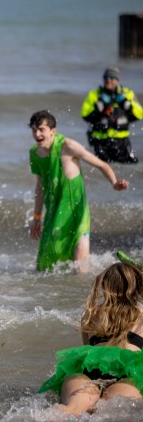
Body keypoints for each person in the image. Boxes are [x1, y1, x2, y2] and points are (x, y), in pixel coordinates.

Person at [28, 110, 129, 273]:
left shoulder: (68, 146)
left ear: (53, 131)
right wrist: (37, 217)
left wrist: (114, 182)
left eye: (41, 129)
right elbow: (39, 187)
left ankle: (85, 294)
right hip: (55, 212)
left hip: (77, 210)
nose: (37, 134)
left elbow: (101, 164)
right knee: (44, 266)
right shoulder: (34, 154)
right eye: (34, 130)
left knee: (80, 268)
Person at [38, 262, 143, 415]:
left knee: (70, 410)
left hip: (88, 371)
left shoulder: (90, 315)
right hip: (131, 373)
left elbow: (87, 350)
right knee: (117, 414)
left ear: (104, 286)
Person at [81, 67, 143, 164]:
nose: (108, 80)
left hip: (122, 142)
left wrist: (125, 103)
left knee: (131, 165)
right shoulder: (94, 95)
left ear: (117, 80)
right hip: (100, 141)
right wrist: (100, 106)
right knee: (102, 168)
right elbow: (85, 115)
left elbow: (139, 115)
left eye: (112, 78)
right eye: (106, 77)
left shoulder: (127, 93)